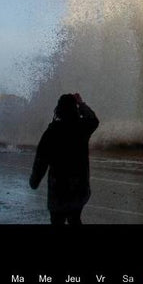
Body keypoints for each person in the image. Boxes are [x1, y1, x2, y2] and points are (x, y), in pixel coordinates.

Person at [29, 93, 99, 225]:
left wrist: (35, 180)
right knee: (75, 219)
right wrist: (81, 103)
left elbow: (41, 160)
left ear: (58, 110)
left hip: (58, 188)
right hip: (78, 187)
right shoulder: (81, 128)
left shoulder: (52, 132)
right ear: (75, 109)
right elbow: (94, 120)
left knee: (56, 220)